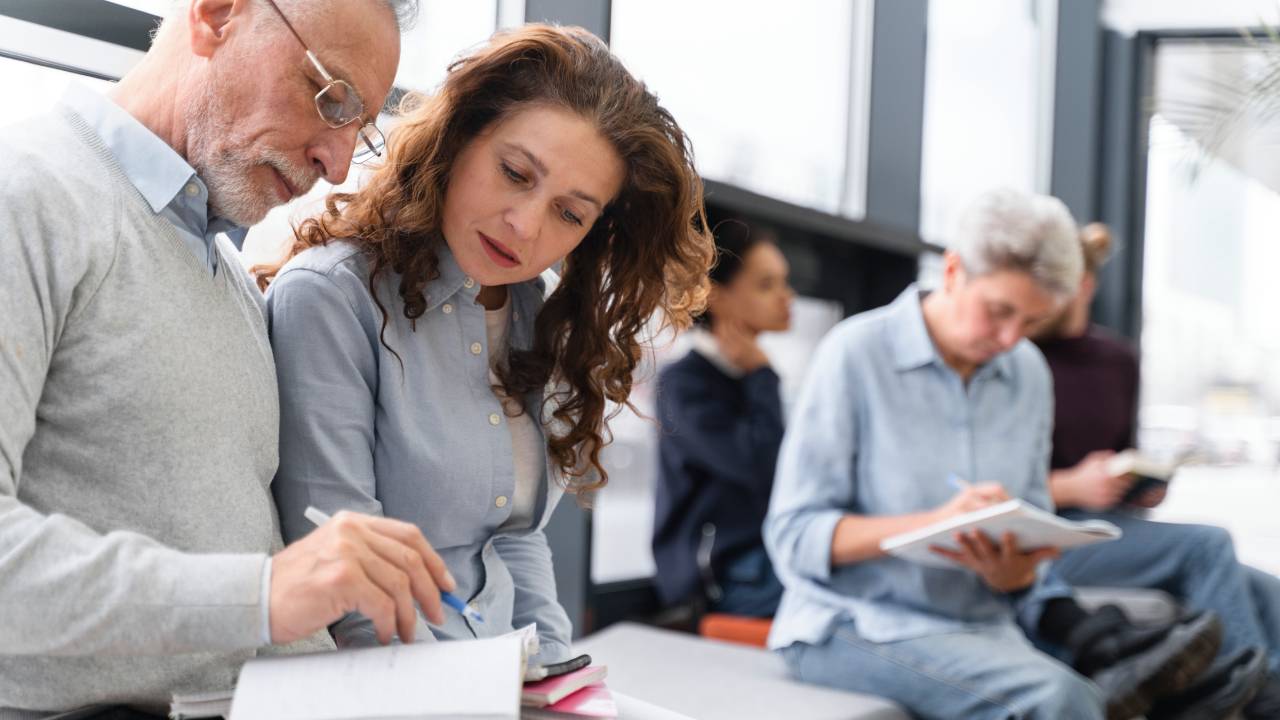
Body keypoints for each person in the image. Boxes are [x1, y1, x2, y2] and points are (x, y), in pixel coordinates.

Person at [0, 1, 470, 716]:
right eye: (332, 97)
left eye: (360, 129)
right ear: (217, 15)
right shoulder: (27, 197)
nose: (337, 162)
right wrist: (262, 595)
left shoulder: (225, 274)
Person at [259, 24, 713, 663]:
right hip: (394, 686)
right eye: (514, 172)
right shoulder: (332, 298)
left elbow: (513, 540)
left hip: (499, 679)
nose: (526, 227)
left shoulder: (538, 317)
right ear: (459, 137)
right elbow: (347, 592)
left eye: (570, 214)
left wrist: (558, 675)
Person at [764, 189, 1221, 720]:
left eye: (1030, 322)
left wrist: (1017, 575)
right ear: (954, 271)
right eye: (999, 312)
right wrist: (933, 523)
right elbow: (794, 535)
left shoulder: (1027, 372)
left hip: (982, 624)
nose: (1009, 338)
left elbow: (1029, 523)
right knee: (1058, 700)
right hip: (853, 621)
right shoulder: (855, 355)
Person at [1035, 223, 1280, 718]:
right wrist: (1071, 484)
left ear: (1084, 284)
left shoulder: (1118, 361)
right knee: (1208, 545)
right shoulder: (1018, 357)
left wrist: (1139, 486)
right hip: (1052, 531)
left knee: (1266, 587)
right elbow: (993, 485)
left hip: (1111, 526)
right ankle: (1252, 700)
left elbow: (1119, 452)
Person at [652, 223, 793, 617]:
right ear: (716, 296)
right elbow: (764, 468)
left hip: (765, 560)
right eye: (767, 285)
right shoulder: (684, 382)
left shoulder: (748, 376)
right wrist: (763, 376)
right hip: (719, 578)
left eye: (785, 283)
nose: (787, 297)